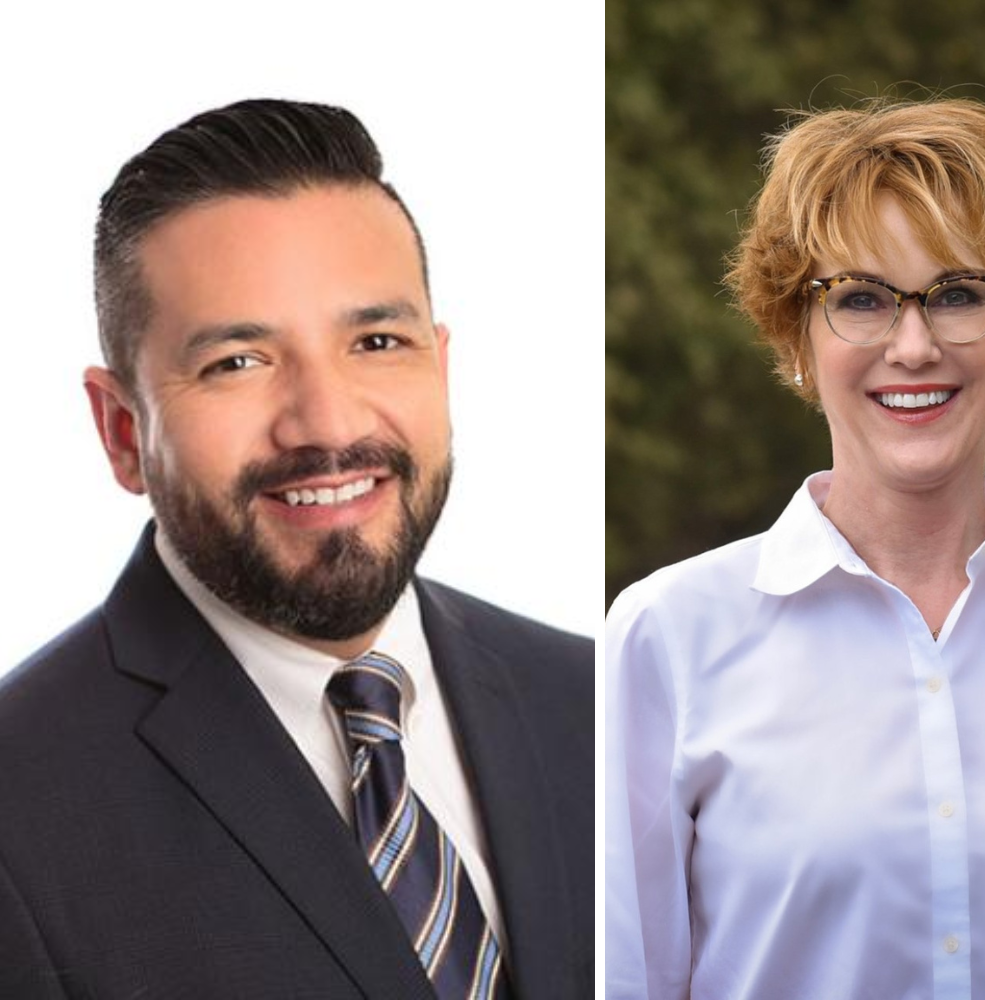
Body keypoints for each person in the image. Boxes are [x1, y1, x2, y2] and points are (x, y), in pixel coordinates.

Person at [606, 97, 985, 999]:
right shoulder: (667, 637)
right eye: (860, 299)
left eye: (959, 294)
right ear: (797, 337)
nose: (914, 345)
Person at [0, 99, 592, 1000]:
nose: (329, 424)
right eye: (237, 361)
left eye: (377, 342)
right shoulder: (20, 813)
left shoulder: (598, 699)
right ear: (122, 430)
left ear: (440, 367)